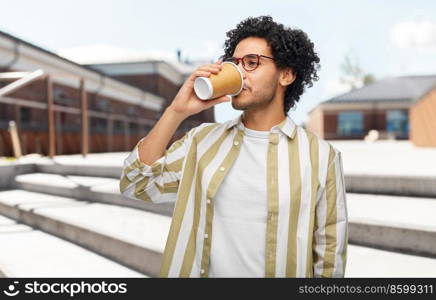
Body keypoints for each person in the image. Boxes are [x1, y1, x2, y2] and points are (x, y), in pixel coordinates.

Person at [120, 15, 348, 278]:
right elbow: (135, 184)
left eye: (251, 63)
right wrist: (176, 111)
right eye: (234, 63)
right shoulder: (201, 141)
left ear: (286, 74)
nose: (239, 72)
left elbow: (329, 258)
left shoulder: (321, 157)